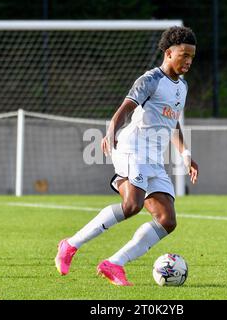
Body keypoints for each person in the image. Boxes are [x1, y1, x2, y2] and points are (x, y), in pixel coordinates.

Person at [55, 26, 199, 286]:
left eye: (192, 56)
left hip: (153, 158)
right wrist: (111, 130)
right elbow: (125, 108)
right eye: (183, 54)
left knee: (167, 220)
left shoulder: (183, 87)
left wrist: (186, 154)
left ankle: (114, 263)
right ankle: (70, 245)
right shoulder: (150, 79)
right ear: (168, 52)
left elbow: (172, 123)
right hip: (132, 147)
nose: (188, 60)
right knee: (132, 205)